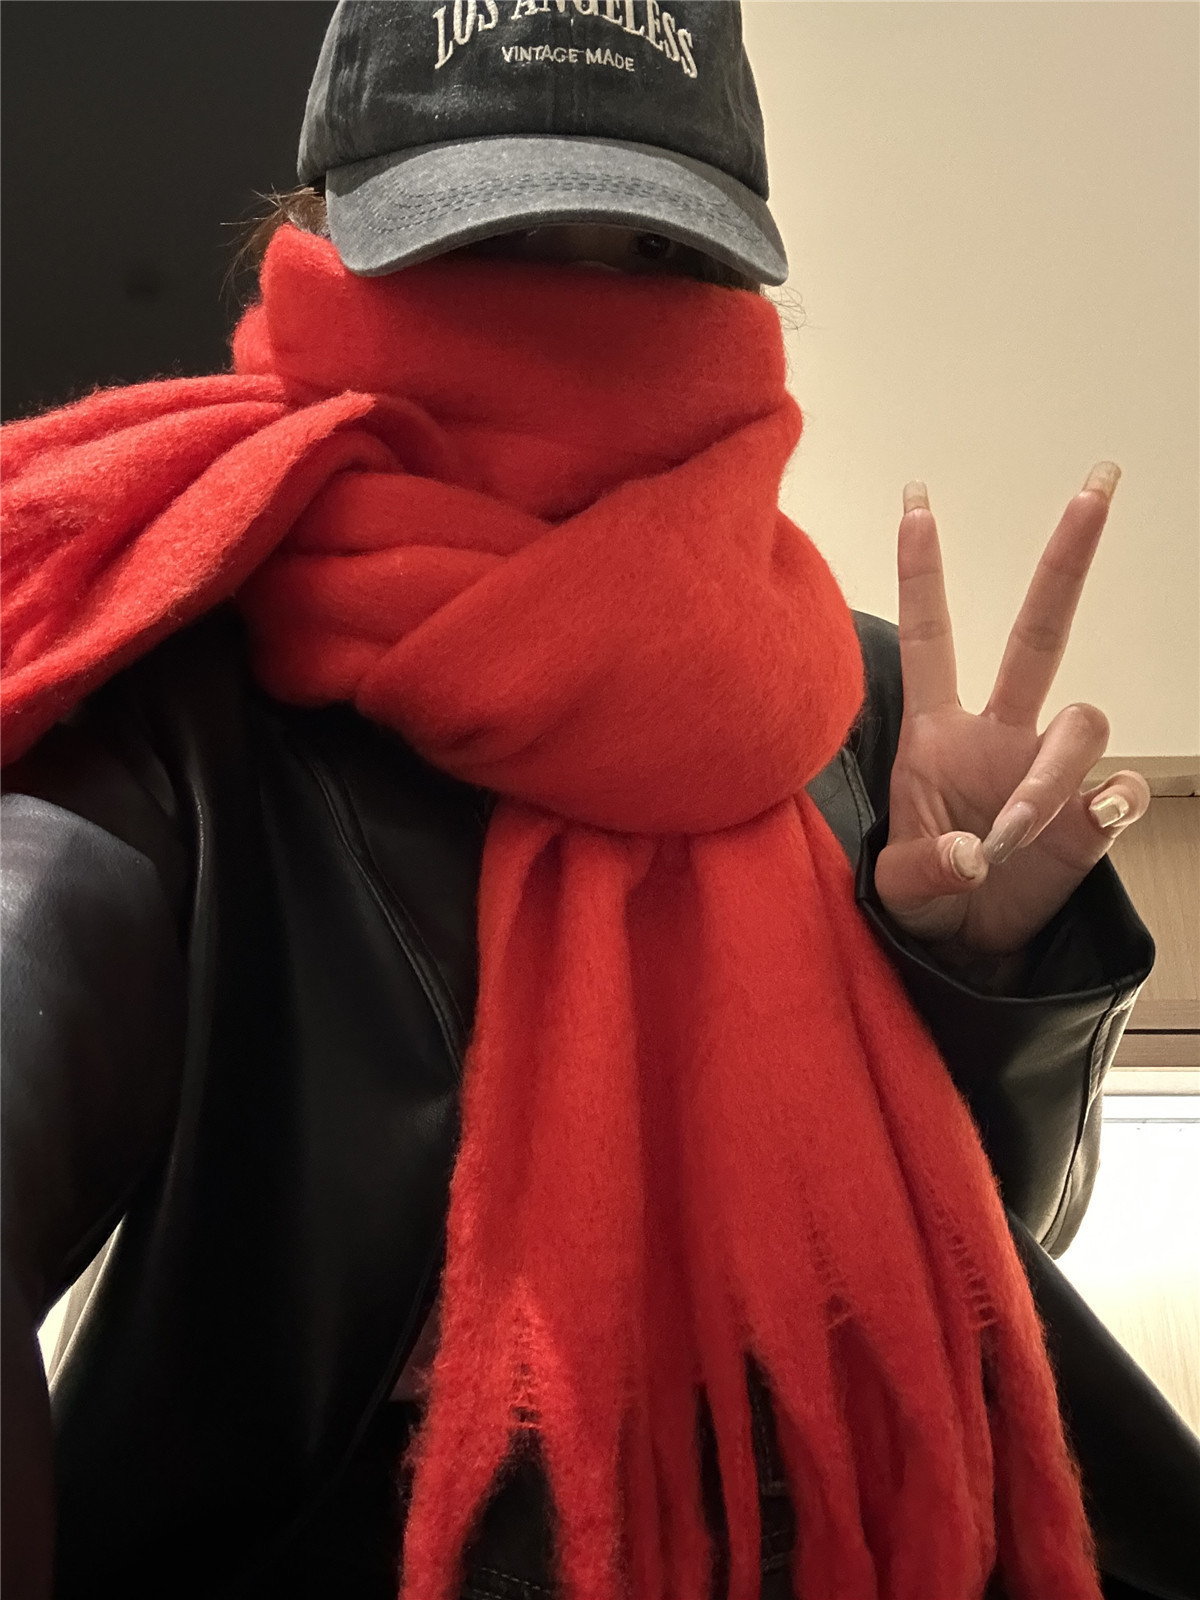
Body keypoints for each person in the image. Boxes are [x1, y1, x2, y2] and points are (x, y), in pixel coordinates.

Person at [2, 4, 1197, 1598]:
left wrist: (980, 980)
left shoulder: (846, 698)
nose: (576, 309)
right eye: (494, 239)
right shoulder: (180, 702)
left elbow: (991, 1254)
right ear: (321, 236)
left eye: (649, 249)